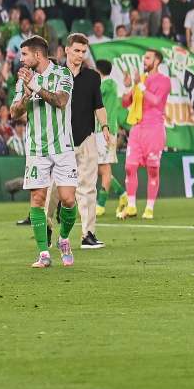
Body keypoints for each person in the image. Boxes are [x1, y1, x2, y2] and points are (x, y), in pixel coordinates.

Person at [13, 36, 78, 268]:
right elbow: (14, 112)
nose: (21, 59)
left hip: (62, 147)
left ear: (37, 55)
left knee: (68, 200)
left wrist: (36, 87)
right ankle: (43, 253)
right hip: (36, 148)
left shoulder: (63, 74)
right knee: (38, 199)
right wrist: (26, 96)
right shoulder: (23, 79)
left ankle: (63, 239)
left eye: (24, 55)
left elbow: (61, 101)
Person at [43, 33, 109, 250]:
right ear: (67, 50)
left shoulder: (92, 77)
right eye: (77, 50)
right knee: (54, 187)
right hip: (61, 139)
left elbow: (98, 105)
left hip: (87, 137)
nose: (80, 55)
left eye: (83, 51)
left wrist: (105, 127)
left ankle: (88, 234)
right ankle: (46, 225)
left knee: (88, 188)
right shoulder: (55, 74)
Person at [120, 47, 171, 221]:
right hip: (137, 128)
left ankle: (149, 207)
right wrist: (128, 86)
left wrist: (139, 85)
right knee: (129, 167)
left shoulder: (164, 81)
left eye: (148, 58)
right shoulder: (139, 80)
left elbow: (156, 101)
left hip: (154, 129)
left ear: (157, 61)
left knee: (153, 170)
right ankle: (132, 205)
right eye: (144, 58)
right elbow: (125, 103)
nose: (144, 61)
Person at [94, 59, 127, 219]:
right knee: (99, 168)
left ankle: (100, 205)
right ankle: (122, 193)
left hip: (105, 131)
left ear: (98, 70)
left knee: (104, 169)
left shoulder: (107, 85)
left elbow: (92, 94)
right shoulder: (109, 85)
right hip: (99, 130)